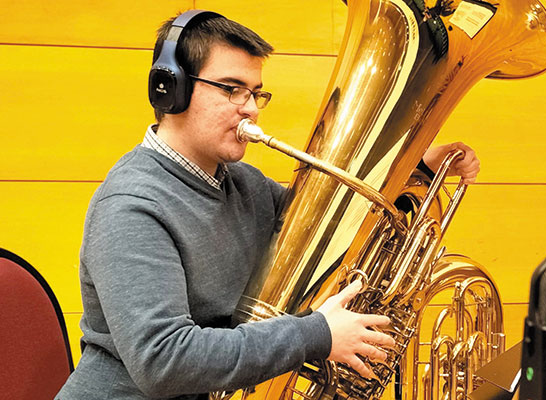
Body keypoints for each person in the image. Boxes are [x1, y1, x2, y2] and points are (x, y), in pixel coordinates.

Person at [57, 11, 480, 400]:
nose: (251, 109)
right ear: (171, 89)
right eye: (231, 89)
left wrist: (421, 170)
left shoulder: (242, 183)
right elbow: (164, 361)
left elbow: (337, 233)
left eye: (256, 93)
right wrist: (317, 335)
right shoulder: (131, 206)